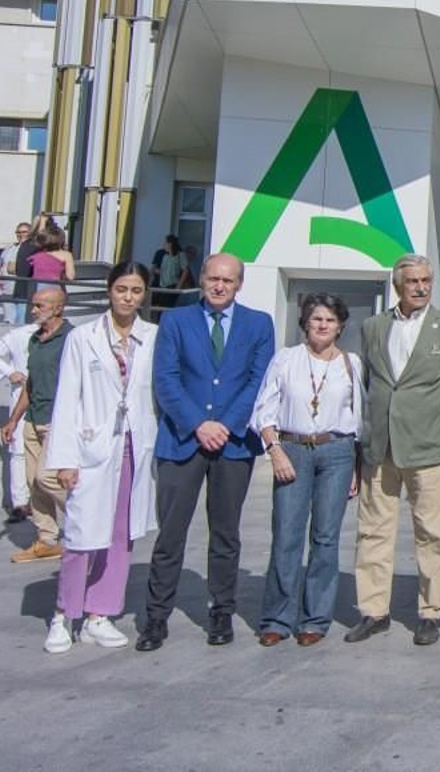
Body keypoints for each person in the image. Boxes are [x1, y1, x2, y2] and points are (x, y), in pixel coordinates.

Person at [139, 252, 275, 652]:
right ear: (201, 278)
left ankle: (221, 611)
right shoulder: (176, 321)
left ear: (239, 284)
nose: (219, 286)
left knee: (226, 534)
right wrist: (198, 423)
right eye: (213, 278)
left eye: (228, 281)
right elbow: (165, 378)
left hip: (232, 445)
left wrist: (226, 424)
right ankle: (156, 617)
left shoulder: (258, 323)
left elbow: (258, 380)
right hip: (182, 441)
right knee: (170, 535)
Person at [349, 254, 440, 646]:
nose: (421, 287)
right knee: (373, 532)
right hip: (380, 446)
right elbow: (368, 382)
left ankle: (430, 613)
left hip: (428, 447)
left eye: (426, 281)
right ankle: (373, 610)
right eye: (413, 281)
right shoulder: (373, 327)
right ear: (397, 285)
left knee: (431, 533)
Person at [41, 262, 159, 653]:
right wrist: (65, 459)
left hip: (133, 445)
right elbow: (67, 400)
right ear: (110, 291)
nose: (128, 297)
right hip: (91, 446)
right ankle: (64, 613)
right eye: (122, 289)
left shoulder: (152, 337)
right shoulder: (84, 338)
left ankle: (99, 613)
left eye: (136, 290)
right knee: (80, 535)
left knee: (120, 533)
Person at [252, 293, 364, 647]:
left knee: (326, 538)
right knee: (286, 535)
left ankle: (315, 618)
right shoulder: (286, 359)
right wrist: (275, 451)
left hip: (336, 452)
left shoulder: (351, 363)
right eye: (316, 319)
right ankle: (276, 617)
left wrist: (357, 468)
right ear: (305, 322)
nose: (322, 325)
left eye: (330, 320)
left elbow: (359, 420)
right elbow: (263, 411)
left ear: (340, 325)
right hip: (294, 449)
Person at [1, 286, 73, 562]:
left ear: (58, 308)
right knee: (33, 482)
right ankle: (47, 540)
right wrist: (14, 419)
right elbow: (29, 384)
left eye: (40, 306)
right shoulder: (35, 339)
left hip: (58, 420)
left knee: (47, 478)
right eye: (33, 305)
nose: (33, 310)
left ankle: (89, 519)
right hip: (33, 418)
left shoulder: (72, 338)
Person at [0, 316, 35, 521]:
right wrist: (9, 372)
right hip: (22, 394)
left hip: (55, 395)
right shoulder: (19, 334)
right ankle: (20, 504)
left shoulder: (69, 335)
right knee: (18, 452)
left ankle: (40, 501)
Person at [0, 220, 31, 324]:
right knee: (8, 318)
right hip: (6, 287)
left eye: (24, 232)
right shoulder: (10, 248)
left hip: (20, 286)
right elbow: (3, 264)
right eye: (19, 232)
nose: (21, 234)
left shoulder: (31, 248)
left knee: (20, 317)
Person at [27, 226, 76, 290]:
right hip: (54, 287)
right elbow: (70, 277)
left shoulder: (36, 254)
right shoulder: (66, 255)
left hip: (35, 286)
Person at [153, 234, 190, 310]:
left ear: (170, 244)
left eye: (165, 243)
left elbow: (185, 271)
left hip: (172, 285)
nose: (164, 245)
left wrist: (179, 285)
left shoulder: (180, 255)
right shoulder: (163, 254)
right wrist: (159, 272)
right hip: (161, 285)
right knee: (158, 306)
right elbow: (156, 268)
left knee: (168, 307)